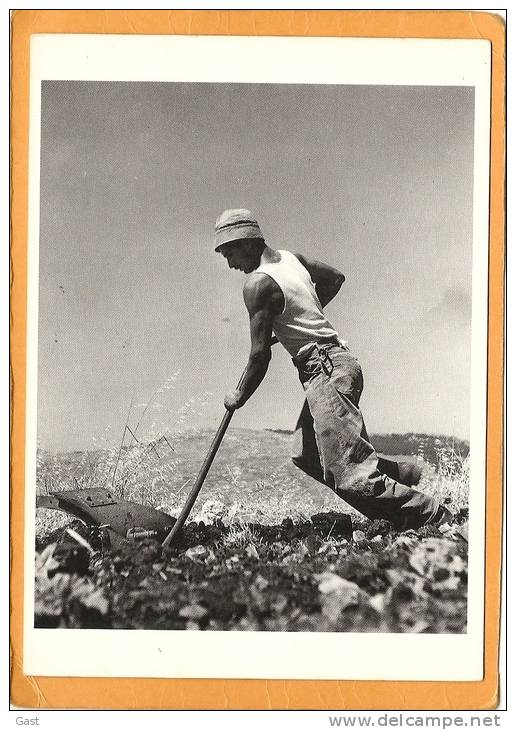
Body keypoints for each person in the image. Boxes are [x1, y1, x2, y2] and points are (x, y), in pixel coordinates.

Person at [214, 208, 452, 530]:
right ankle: (403, 474)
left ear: (246, 242)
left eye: (230, 253)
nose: (230, 264)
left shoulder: (257, 285)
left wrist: (238, 396)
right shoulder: (290, 259)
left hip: (325, 369)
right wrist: (301, 316)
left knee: (351, 477)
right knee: (306, 455)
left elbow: (259, 357)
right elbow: (334, 278)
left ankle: (435, 517)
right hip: (337, 363)